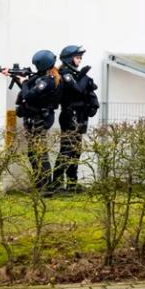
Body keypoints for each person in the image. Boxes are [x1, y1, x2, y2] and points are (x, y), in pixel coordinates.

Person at [3, 51, 63, 195]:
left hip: (41, 118)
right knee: (33, 153)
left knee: (40, 153)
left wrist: (23, 82)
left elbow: (29, 95)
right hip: (36, 118)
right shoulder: (43, 78)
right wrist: (14, 75)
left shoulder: (49, 80)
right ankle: (39, 184)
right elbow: (29, 90)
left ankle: (46, 186)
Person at [54, 45, 99, 193]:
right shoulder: (65, 74)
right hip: (69, 115)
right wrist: (85, 77)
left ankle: (72, 183)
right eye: (77, 57)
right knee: (67, 150)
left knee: (76, 151)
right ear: (69, 59)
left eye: (80, 58)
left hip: (79, 115)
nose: (79, 60)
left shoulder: (75, 74)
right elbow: (77, 90)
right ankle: (57, 184)